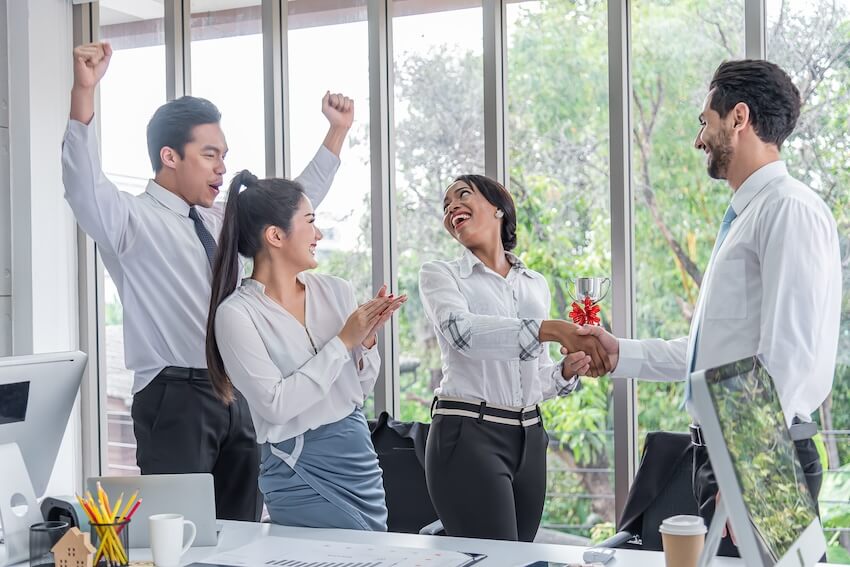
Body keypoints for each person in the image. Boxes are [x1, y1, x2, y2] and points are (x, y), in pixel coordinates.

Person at [62, 42, 354, 521]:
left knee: (243, 533)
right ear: (170, 156)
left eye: (224, 155)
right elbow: (81, 182)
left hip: (238, 392)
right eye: (210, 154)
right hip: (175, 396)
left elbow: (291, 207)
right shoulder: (129, 221)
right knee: (181, 536)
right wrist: (84, 92)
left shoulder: (221, 220)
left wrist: (336, 134)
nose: (222, 166)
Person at [578, 59, 841, 555]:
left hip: (761, 454)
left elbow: (787, 355)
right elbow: (711, 356)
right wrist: (620, 354)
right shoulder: (747, 215)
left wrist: (748, 471)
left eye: (705, 121)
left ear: (737, 118)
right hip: (726, 453)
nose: (699, 139)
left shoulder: (787, 208)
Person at [206, 170, 406, 530]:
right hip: (296, 463)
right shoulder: (236, 315)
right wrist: (344, 340)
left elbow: (358, 389)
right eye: (310, 222)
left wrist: (367, 340)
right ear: (275, 235)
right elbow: (275, 405)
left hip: (357, 455)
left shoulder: (336, 290)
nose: (319, 234)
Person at [419, 174, 612, 542]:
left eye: (462, 196)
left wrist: (564, 372)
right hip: (468, 434)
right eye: (446, 206)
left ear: (498, 209)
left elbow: (532, 376)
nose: (451, 208)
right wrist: (550, 329)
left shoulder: (533, 283)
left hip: (530, 436)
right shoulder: (440, 274)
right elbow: (463, 334)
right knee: (500, 559)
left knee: (520, 555)